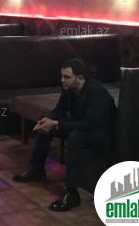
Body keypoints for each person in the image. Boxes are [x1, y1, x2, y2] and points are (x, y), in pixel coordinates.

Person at [12, 58, 116, 212]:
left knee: (74, 137)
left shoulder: (97, 93)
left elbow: (89, 125)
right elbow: (60, 109)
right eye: (62, 76)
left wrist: (56, 123)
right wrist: (47, 121)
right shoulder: (69, 88)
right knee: (47, 128)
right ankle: (37, 171)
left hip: (101, 134)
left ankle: (71, 193)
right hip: (82, 125)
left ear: (80, 78)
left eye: (67, 77)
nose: (62, 80)